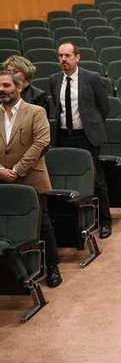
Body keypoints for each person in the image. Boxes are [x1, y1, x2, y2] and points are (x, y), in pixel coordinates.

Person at [0, 70, 61, 287]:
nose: (1, 90)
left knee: (43, 224)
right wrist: (1, 171)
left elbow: (41, 143)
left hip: (30, 178)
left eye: (6, 86)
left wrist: (17, 170)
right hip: (1, 179)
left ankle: (52, 267)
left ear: (18, 88)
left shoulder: (36, 111)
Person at [49, 43, 112, 238]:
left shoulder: (91, 78)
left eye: (67, 55)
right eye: (60, 56)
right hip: (63, 136)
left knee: (96, 179)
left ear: (77, 57)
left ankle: (104, 221)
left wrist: (92, 125)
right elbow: (57, 108)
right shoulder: (54, 80)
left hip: (86, 136)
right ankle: (73, 224)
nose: (63, 60)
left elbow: (104, 107)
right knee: (67, 180)